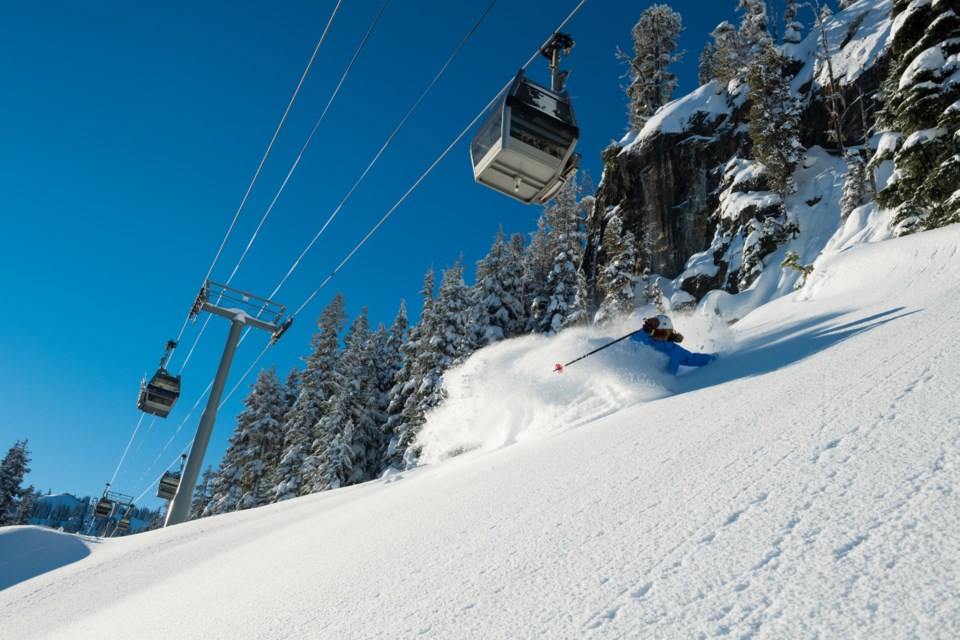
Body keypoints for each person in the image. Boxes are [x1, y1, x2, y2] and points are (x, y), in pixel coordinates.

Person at [630, 315, 716, 374]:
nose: (660, 337)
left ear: (670, 333)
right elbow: (627, 345)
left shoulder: (676, 351)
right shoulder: (643, 340)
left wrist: (714, 357)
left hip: (668, 391)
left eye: (663, 334)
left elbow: (694, 358)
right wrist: (643, 330)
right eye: (657, 334)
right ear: (651, 332)